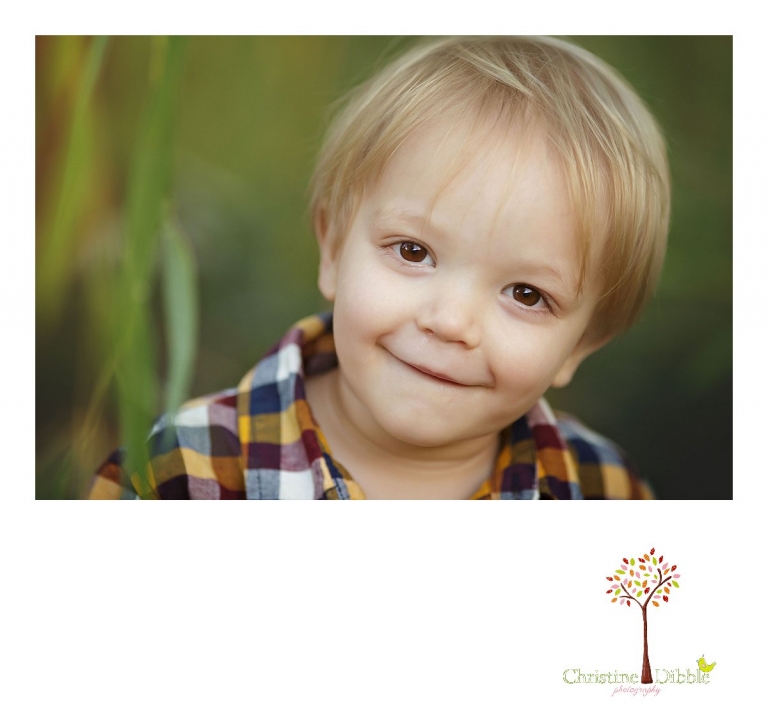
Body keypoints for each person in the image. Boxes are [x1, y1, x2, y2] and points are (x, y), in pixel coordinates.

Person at [89, 36, 669, 500]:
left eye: (525, 293)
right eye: (414, 252)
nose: (450, 322)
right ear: (333, 247)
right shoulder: (183, 473)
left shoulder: (601, 490)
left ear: (581, 346)